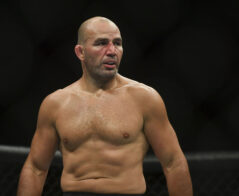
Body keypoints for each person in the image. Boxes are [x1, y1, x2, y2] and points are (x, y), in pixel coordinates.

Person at [17, 16, 193, 196]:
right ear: (80, 52)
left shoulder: (144, 99)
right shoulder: (56, 104)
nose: (111, 51)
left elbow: (173, 163)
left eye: (117, 43)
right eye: (101, 43)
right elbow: (36, 168)